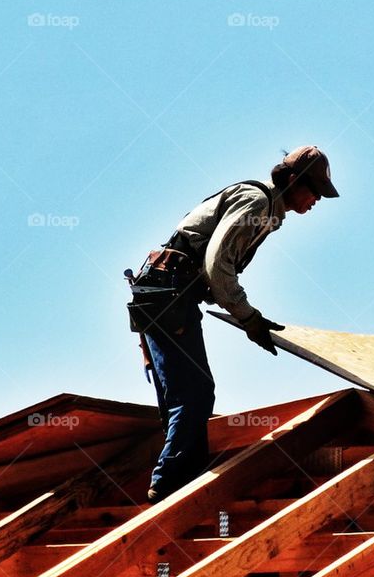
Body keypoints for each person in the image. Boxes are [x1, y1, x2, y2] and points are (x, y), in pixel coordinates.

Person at [133, 145, 339, 502]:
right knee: (195, 392)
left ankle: (181, 479)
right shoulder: (257, 203)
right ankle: (171, 483)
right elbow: (216, 265)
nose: (316, 200)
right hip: (168, 294)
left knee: (182, 394)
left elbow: (212, 267)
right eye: (314, 190)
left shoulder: (266, 209)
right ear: (292, 180)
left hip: (164, 293)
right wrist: (249, 318)